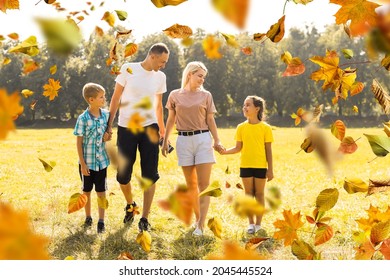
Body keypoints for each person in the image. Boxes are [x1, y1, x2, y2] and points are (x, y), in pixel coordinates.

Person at [107, 43, 169, 232]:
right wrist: (109, 125)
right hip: (126, 128)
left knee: (150, 174)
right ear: (152, 56)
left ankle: (144, 218)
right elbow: (116, 97)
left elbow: (158, 106)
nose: (163, 65)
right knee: (123, 175)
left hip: (150, 128)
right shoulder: (128, 69)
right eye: (162, 61)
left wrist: (163, 131)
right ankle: (130, 204)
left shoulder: (160, 77)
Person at [162, 61, 223, 236]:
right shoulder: (174, 95)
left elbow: (211, 120)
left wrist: (217, 140)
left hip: (203, 139)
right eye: (199, 76)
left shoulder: (206, 96)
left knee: (204, 185)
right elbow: (171, 119)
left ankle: (201, 226)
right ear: (190, 74)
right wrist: (165, 140)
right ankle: (198, 220)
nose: (202, 80)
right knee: (192, 186)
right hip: (183, 141)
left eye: (204, 77)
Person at [219, 96, 274, 234]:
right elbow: (238, 148)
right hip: (245, 166)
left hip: (261, 166)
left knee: (259, 194)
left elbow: (268, 150)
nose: (245, 107)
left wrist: (270, 170)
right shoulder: (241, 127)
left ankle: (258, 224)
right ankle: (251, 224)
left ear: (257, 108)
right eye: (244, 105)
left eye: (248, 105)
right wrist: (224, 152)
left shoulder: (265, 128)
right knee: (248, 194)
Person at [74, 83, 111, 234]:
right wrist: (82, 164)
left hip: (101, 162)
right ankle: (88, 217)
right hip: (87, 164)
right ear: (91, 100)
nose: (104, 99)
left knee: (101, 192)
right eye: (101, 97)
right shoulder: (83, 119)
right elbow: (79, 142)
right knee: (86, 191)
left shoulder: (106, 115)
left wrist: (108, 136)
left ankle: (101, 221)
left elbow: (108, 133)